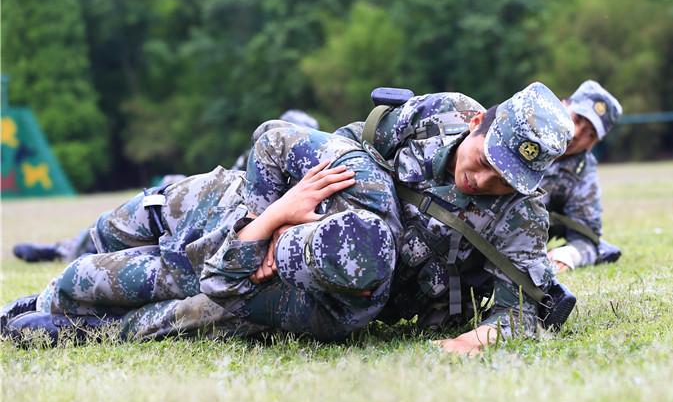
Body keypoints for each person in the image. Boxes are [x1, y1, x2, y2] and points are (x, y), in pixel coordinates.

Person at [2, 126, 402, 343]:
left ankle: (79, 332)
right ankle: (38, 298)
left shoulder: (338, 314)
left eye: (289, 259)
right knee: (81, 271)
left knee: (178, 317)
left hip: (234, 286)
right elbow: (271, 136)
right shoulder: (357, 183)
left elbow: (221, 286)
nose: (277, 252)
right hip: (204, 217)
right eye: (293, 242)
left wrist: (267, 227)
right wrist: (271, 215)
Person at [333, 81, 574, 355]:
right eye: (485, 160)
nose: (481, 181)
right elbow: (345, 147)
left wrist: (466, 343)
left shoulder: (523, 213)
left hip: (376, 302)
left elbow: (518, 315)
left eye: (505, 181)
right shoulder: (440, 113)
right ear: (477, 122)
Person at [10, 110, 319, 264]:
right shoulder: (254, 158)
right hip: (210, 212)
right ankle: (64, 249)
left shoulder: (312, 178)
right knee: (149, 204)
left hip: (223, 244)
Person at [543, 80, 623, 273]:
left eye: (591, 133)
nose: (578, 133)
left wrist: (569, 255)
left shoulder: (582, 174)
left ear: (593, 144)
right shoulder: (519, 127)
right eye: (577, 119)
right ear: (562, 105)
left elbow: (587, 238)